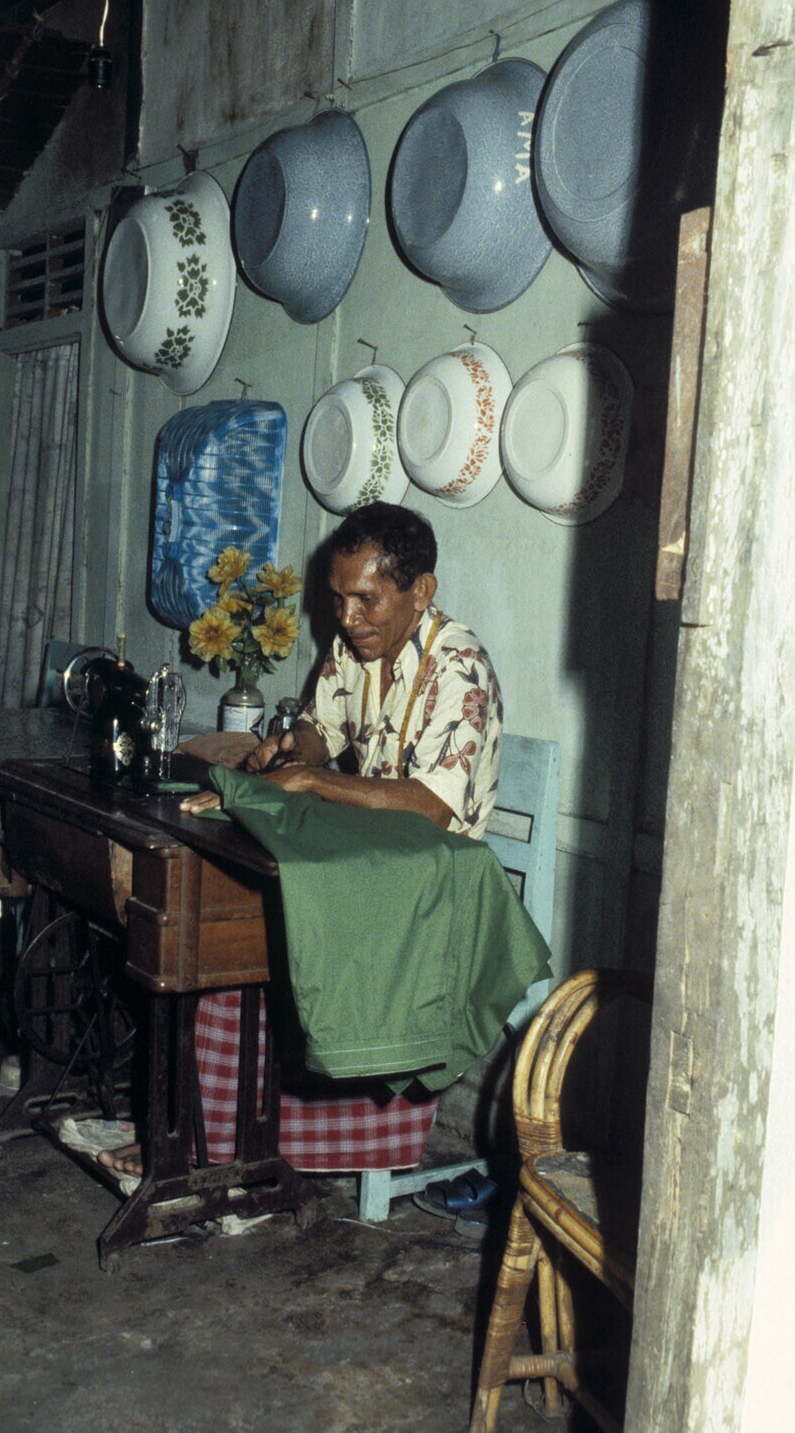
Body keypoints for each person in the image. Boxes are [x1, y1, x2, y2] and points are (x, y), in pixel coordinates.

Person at [98, 501, 502, 1179]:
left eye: (365, 599)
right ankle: (205, 1133)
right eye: (338, 599)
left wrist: (311, 781)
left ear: (420, 591)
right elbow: (322, 726)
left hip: (440, 884)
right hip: (374, 857)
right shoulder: (358, 645)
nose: (347, 618)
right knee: (226, 921)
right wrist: (295, 748)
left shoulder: (458, 669)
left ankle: (213, 1143)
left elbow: (431, 808)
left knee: (254, 936)